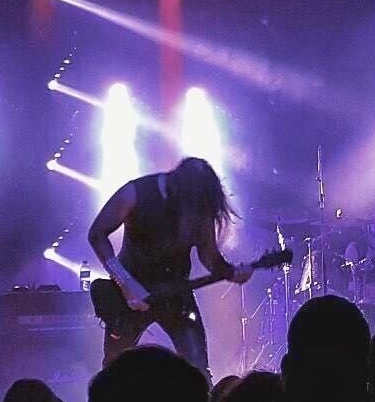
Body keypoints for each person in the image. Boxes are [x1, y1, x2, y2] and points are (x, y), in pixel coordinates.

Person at [88, 156, 252, 375]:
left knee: (197, 369)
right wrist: (125, 283)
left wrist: (232, 272)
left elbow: (209, 256)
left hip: (176, 294)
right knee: (113, 371)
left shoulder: (198, 206)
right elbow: (97, 234)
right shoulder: (135, 193)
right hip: (129, 296)